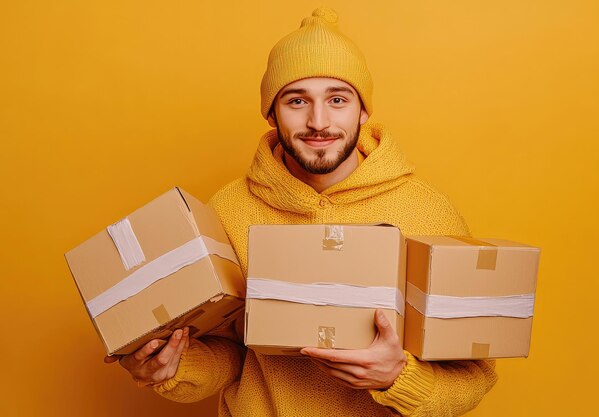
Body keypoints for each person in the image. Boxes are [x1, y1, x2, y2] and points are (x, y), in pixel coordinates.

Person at [107, 8, 498, 416]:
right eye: (297, 101)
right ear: (272, 113)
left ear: (363, 111)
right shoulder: (228, 210)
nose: (319, 121)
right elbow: (232, 357)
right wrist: (174, 365)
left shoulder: (426, 211)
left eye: (337, 99)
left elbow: (474, 375)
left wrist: (398, 378)